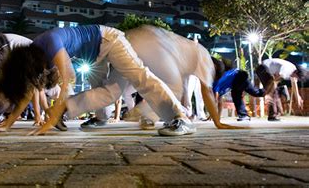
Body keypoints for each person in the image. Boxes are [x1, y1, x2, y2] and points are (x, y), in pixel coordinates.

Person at [0, 25, 198, 136]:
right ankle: (91, 117)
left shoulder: (50, 43)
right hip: (96, 54)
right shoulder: (35, 56)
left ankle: (181, 117)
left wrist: (50, 119)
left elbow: (69, 76)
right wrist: (8, 124)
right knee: (111, 91)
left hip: (109, 40)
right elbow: (29, 90)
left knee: (140, 75)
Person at [78, 25, 235, 130]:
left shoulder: (187, 50)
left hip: (133, 38)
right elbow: (207, 92)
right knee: (173, 88)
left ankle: (99, 117)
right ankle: (147, 115)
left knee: (112, 90)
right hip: (153, 45)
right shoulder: (206, 57)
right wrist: (218, 122)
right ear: (215, 69)